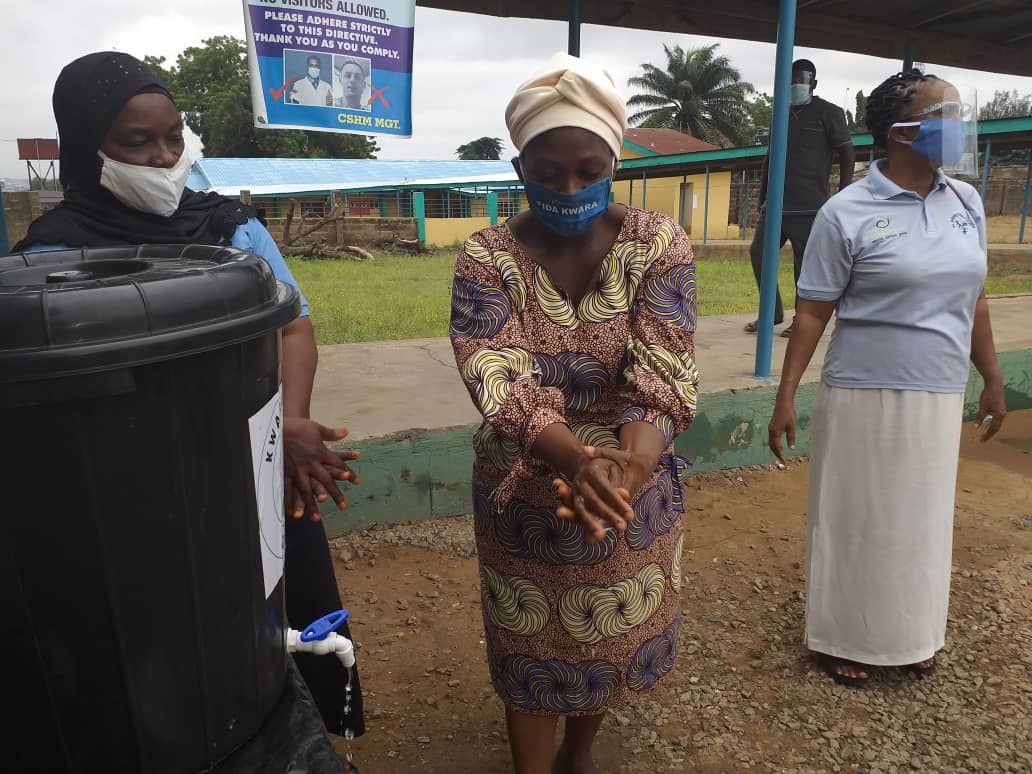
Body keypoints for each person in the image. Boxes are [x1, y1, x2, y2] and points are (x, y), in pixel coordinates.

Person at [12, 52, 365, 760]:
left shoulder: (229, 227)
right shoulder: (48, 255)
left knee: (274, 595)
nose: (166, 157)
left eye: (174, 137)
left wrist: (288, 424)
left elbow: (292, 323)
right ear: (85, 147)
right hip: (132, 487)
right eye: (138, 142)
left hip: (258, 459)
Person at [450, 53, 698, 774]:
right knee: (527, 637)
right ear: (518, 162)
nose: (569, 188)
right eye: (548, 170)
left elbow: (664, 364)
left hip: (632, 480)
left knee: (604, 638)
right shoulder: (486, 257)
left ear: (614, 161)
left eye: (589, 170)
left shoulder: (658, 244)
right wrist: (578, 460)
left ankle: (578, 755)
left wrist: (631, 466)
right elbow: (495, 370)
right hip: (527, 480)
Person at [767, 69, 1007, 685]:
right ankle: (846, 636)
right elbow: (814, 310)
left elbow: (975, 299)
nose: (958, 126)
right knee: (859, 516)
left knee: (920, 520)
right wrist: (787, 393)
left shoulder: (967, 203)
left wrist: (992, 377)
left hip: (939, 390)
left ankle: (909, 632)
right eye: (944, 114)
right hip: (864, 393)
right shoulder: (846, 212)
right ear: (902, 133)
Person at [746, 59, 855, 337]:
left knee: (803, 267)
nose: (795, 87)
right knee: (758, 254)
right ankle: (772, 313)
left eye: (800, 82)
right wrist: (762, 198)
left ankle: (801, 320)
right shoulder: (779, 114)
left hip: (809, 206)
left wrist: (843, 192)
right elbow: (769, 159)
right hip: (775, 206)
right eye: (791, 83)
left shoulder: (829, 113)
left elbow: (847, 152)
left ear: (813, 85)